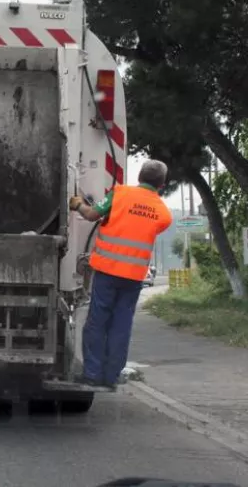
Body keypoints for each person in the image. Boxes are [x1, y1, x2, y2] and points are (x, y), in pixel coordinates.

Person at [69, 159, 172, 389]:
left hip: (107, 271)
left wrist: (77, 205)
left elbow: (92, 215)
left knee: (97, 322)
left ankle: (92, 374)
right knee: (121, 326)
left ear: (139, 177)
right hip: (134, 277)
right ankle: (111, 377)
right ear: (162, 185)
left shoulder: (119, 194)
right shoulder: (164, 214)